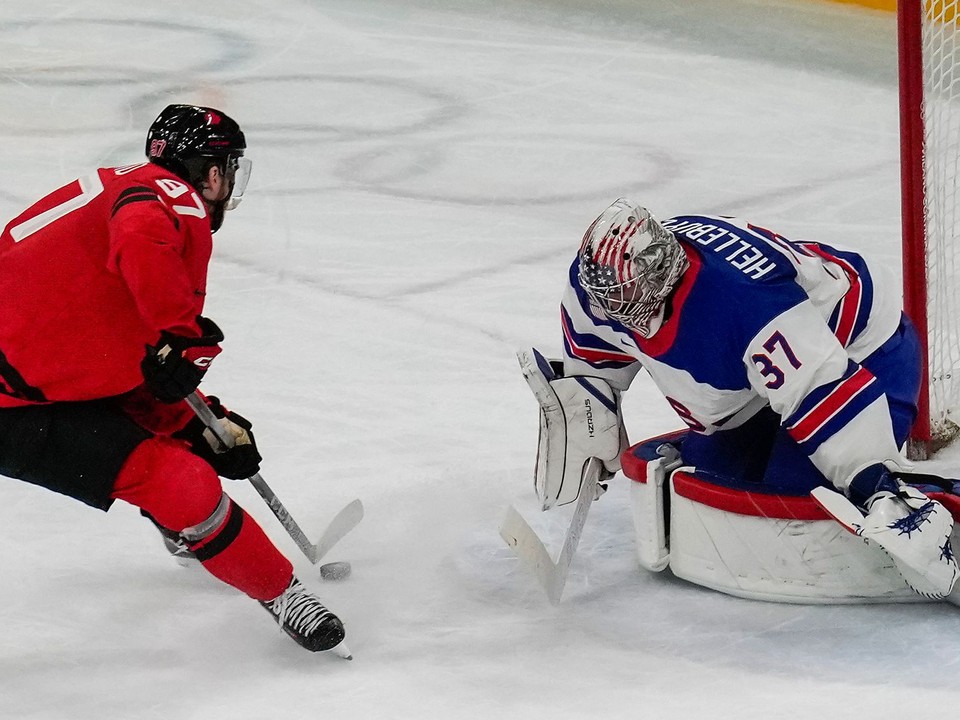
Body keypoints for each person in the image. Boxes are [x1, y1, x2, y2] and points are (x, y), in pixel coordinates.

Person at [0, 104, 347, 654]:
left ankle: (193, 530)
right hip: (17, 403)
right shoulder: (171, 199)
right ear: (211, 173)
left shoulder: (122, 184)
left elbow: (119, 360)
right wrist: (179, 333)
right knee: (181, 485)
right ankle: (282, 594)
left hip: (43, 379)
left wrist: (202, 425)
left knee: (186, 448)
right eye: (228, 169)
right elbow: (140, 238)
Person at [530, 198, 958, 599]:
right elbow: (594, 358)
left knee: (796, 496)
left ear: (660, 275)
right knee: (717, 479)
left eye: (624, 296)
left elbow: (816, 383)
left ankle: (923, 500)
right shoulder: (601, 287)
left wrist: (874, 486)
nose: (612, 308)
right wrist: (584, 410)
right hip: (758, 379)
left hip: (860, 353)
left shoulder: (741, 300)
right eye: (607, 297)